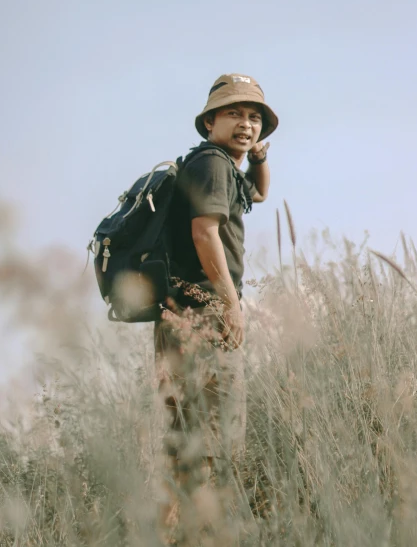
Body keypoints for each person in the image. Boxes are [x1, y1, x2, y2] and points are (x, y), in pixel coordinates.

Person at [154, 73, 278, 542]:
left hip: (188, 314)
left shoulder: (222, 165)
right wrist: (231, 306)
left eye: (254, 117)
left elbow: (259, 194)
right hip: (203, 316)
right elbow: (204, 233)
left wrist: (259, 157)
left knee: (187, 442)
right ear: (210, 121)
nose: (246, 124)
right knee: (210, 441)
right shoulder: (211, 164)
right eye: (234, 113)